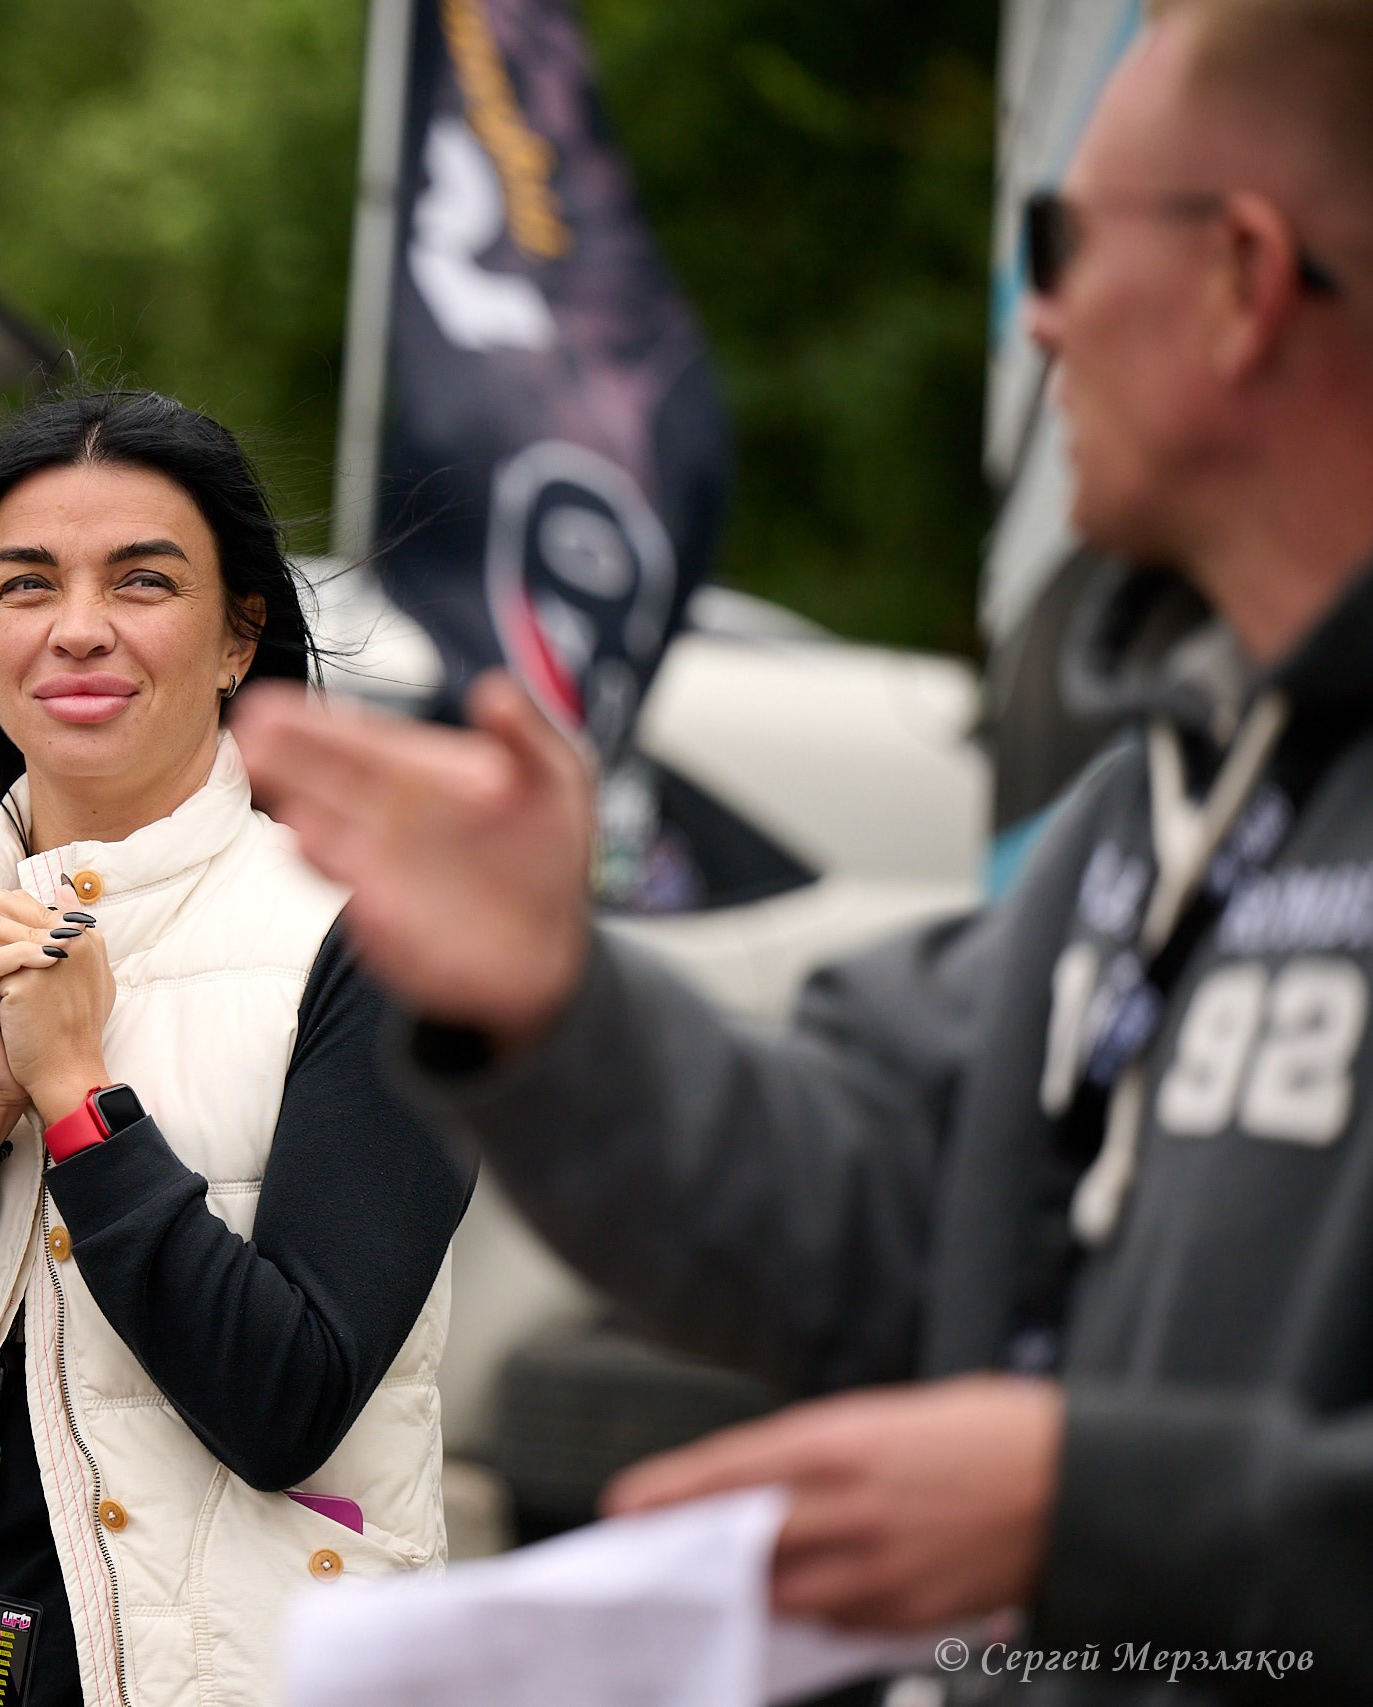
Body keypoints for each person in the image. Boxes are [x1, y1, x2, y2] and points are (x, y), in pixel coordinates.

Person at [236, 0, 1370, 1696]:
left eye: (1064, 241)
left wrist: (1093, 1512)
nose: (1039, 315)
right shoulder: (1152, 808)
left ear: (1244, 277)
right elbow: (861, 1215)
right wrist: (551, 1007)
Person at [0, 392, 473, 1707]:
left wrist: (75, 1097)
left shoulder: (382, 943)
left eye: (142, 579)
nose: (77, 626)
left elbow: (286, 1406)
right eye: (26, 583)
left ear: (239, 634)